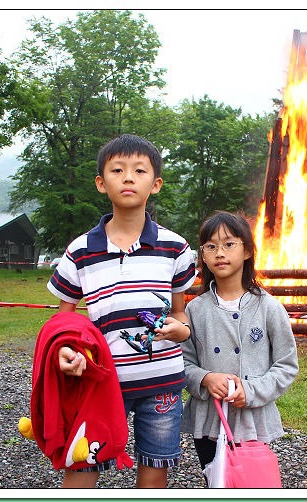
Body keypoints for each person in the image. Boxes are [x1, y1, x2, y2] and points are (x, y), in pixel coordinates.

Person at [47, 134, 196, 488]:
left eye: (139, 170)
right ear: (101, 182)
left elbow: (181, 313)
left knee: (154, 467)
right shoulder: (80, 251)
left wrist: (182, 330)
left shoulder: (176, 248)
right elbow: (62, 322)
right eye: (117, 169)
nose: (128, 177)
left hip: (161, 383)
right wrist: (65, 351)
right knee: (82, 463)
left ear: (155, 184)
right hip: (99, 381)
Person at [180, 211, 299, 480]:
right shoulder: (195, 310)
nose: (219, 253)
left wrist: (251, 390)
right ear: (203, 256)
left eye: (229, 244)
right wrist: (206, 378)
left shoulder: (268, 308)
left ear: (247, 250)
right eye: (211, 246)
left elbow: (286, 365)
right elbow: (183, 363)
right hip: (210, 418)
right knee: (217, 481)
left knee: (250, 481)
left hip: (252, 420)